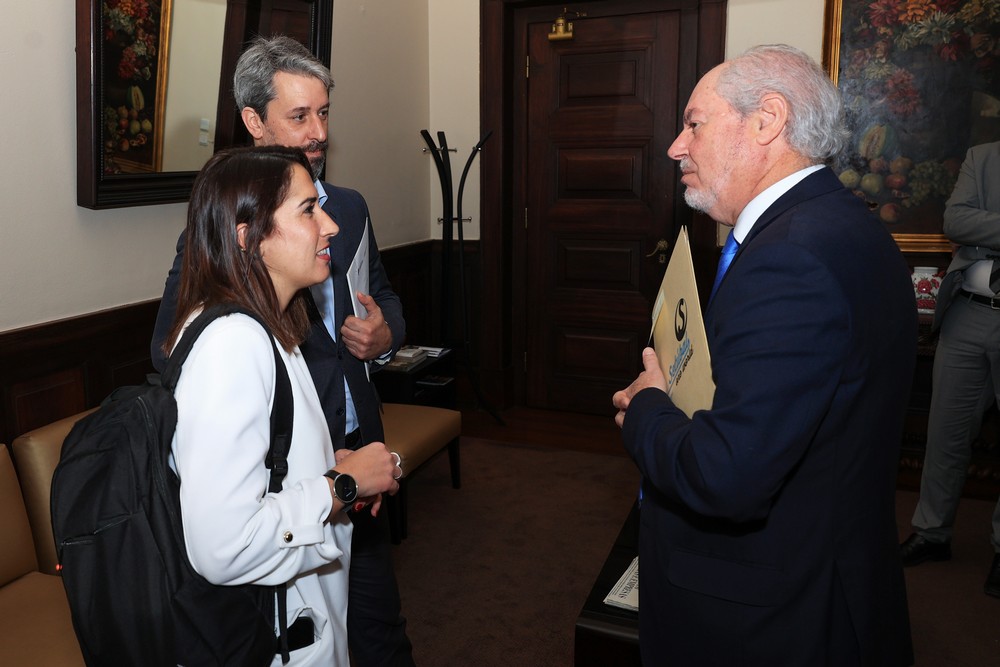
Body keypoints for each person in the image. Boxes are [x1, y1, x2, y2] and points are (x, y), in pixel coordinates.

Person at [611, 45, 916, 665]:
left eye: (694, 123)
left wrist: (647, 407)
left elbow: (726, 475)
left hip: (772, 614)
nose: (675, 146)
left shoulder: (790, 259)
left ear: (767, 120)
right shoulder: (840, 223)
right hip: (824, 565)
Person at [151, 36, 414, 665]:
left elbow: (380, 295)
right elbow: (173, 352)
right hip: (283, 478)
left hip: (344, 451)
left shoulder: (347, 208)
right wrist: (326, 476)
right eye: (300, 116)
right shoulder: (228, 313)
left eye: (324, 113)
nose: (318, 132)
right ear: (253, 121)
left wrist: (384, 338)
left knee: (373, 627)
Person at [899, 140, 1000, 598]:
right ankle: (932, 532)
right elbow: (956, 221)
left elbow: (974, 224)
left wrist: (987, 226)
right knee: (945, 433)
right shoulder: (984, 156)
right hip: (967, 314)